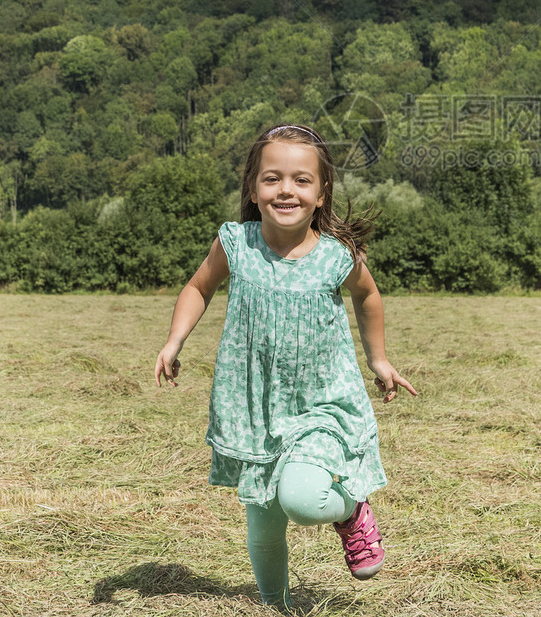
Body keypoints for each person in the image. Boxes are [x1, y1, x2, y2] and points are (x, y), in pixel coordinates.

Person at [154, 123, 416, 613]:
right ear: (253, 189)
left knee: (301, 498)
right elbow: (198, 287)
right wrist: (174, 341)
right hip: (255, 406)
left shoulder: (337, 257)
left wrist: (377, 359)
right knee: (264, 525)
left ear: (320, 194)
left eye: (301, 180)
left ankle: (352, 507)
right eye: (272, 179)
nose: (286, 190)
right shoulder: (236, 243)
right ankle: (276, 606)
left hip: (322, 402)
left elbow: (369, 295)